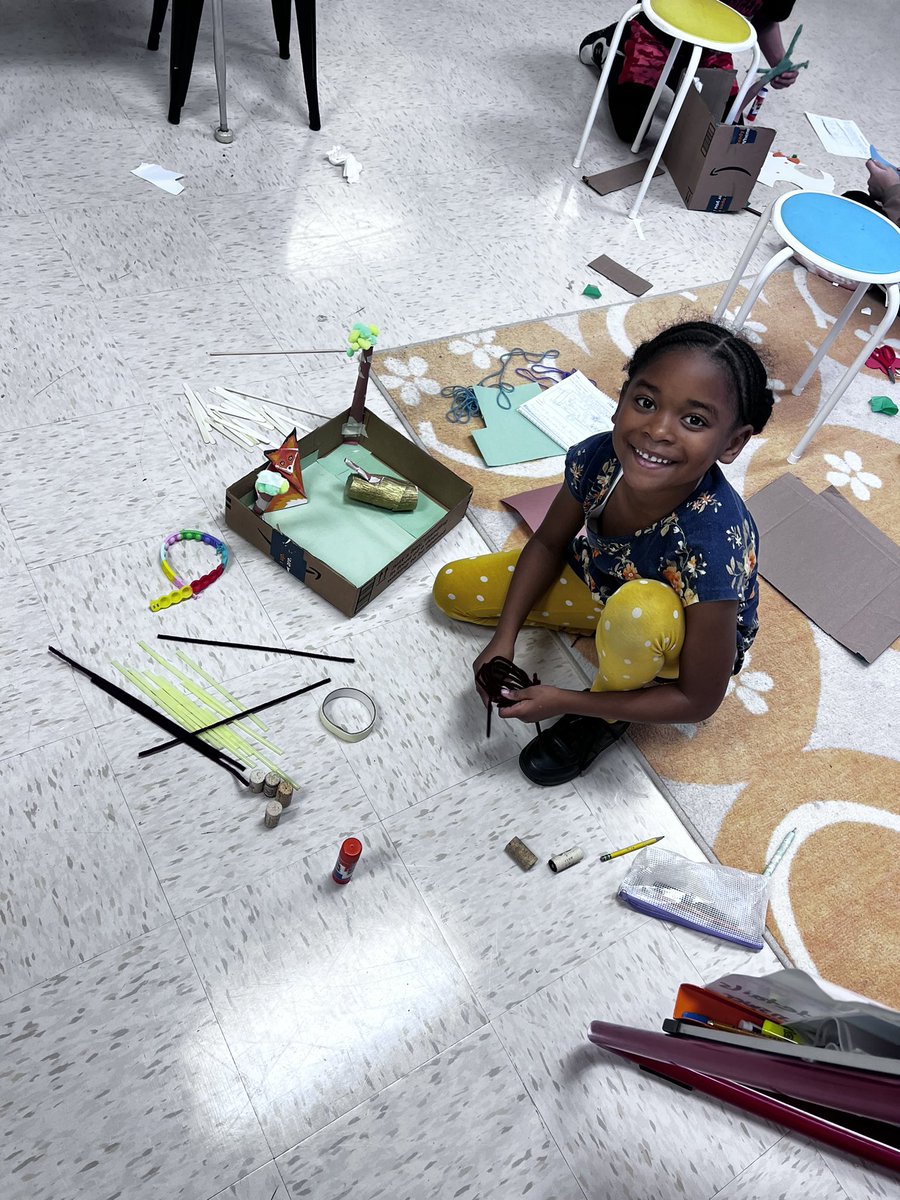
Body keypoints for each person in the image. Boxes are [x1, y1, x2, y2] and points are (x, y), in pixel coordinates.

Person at [432, 321, 775, 786]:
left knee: (639, 614)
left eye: (694, 420)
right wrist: (504, 640)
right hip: (603, 578)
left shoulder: (713, 544)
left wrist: (567, 700)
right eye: (646, 402)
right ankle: (608, 630)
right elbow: (550, 542)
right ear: (620, 399)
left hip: (678, 634)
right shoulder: (599, 458)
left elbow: (700, 699)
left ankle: (604, 716)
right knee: (453, 589)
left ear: (732, 443)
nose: (657, 430)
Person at [578, 2, 800, 144]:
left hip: (710, 49)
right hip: (654, 35)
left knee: (720, 135)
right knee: (630, 132)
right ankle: (616, 42)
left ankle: (678, 75)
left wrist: (780, 62)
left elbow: (765, 20)